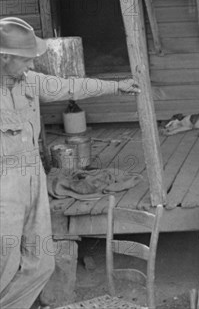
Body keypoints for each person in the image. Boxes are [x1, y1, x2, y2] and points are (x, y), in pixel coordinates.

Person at [0, 17, 141, 309]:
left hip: (33, 177)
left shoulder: (28, 80)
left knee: (41, 264)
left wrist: (116, 87)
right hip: (4, 184)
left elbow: (70, 87)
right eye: (25, 59)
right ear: (4, 56)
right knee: (4, 262)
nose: (30, 65)